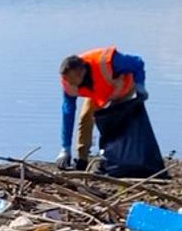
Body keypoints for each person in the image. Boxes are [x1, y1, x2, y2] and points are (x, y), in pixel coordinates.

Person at [59, 47, 165, 179]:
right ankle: (82, 161)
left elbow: (137, 62)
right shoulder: (69, 82)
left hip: (122, 90)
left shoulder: (108, 62)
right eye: (67, 80)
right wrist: (65, 148)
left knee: (114, 122)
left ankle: (112, 159)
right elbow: (68, 113)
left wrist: (140, 86)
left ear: (81, 72)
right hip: (98, 94)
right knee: (85, 117)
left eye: (72, 80)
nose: (70, 83)